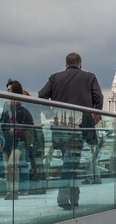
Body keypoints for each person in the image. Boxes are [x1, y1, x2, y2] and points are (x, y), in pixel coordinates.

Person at [39, 52, 104, 210]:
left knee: (69, 160)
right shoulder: (89, 77)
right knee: (71, 161)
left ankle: (74, 197)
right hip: (79, 125)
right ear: (80, 65)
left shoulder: (55, 77)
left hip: (59, 125)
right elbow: (99, 97)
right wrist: (95, 114)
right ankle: (63, 196)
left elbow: (41, 95)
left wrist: (50, 112)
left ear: (66, 65)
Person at [1, 81, 35, 197]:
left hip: (19, 141)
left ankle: (14, 190)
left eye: (9, 90)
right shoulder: (6, 108)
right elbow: (2, 123)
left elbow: (29, 126)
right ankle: (9, 191)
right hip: (7, 141)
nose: (7, 92)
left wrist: (16, 130)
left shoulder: (22, 109)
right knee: (7, 167)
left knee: (12, 164)